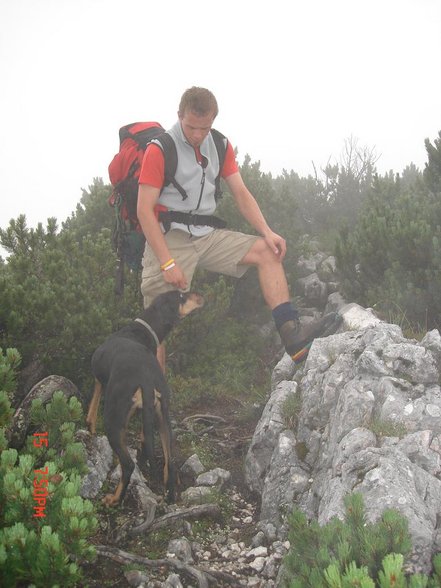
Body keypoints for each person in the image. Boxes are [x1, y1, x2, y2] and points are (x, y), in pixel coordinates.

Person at [137, 87, 340, 368]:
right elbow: (143, 211)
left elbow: (241, 194)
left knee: (268, 252)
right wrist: (166, 261)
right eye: (191, 127)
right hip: (170, 238)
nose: (197, 135)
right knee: (156, 326)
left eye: (204, 128)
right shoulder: (160, 149)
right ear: (179, 115)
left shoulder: (219, 145)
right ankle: (156, 402)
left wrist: (267, 232)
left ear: (213, 121)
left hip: (207, 234)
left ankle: (292, 337)